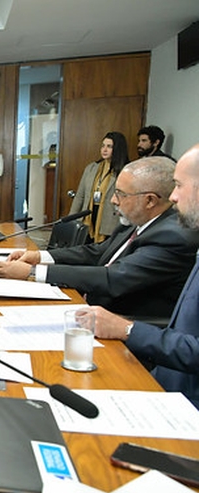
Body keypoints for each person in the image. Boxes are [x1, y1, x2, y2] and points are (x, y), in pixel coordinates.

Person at [0, 156, 199, 320]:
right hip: (89, 309)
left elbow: (114, 278)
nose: (112, 200)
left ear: (149, 201)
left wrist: (33, 272)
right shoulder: (138, 223)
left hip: (120, 324)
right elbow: (96, 253)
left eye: (120, 194)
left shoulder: (173, 236)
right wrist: (39, 257)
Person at [84, 143, 199, 409]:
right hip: (162, 384)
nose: (172, 197)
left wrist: (127, 329)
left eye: (179, 186)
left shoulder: (176, 236)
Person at [70, 131, 130, 243]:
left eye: (109, 146)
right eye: (103, 146)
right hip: (89, 215)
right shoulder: (92, 168)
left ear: (117, 149)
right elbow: (80, 196)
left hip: (109, 219)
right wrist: (71, 219)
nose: (104, 149)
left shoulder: (125, 170)